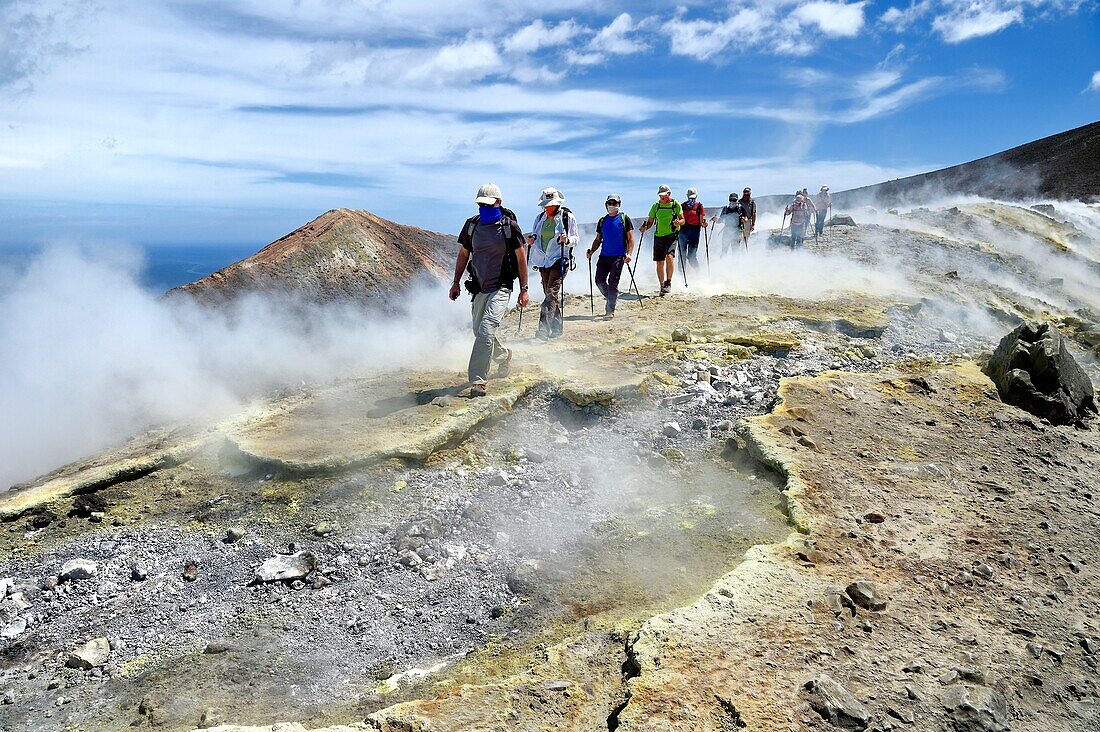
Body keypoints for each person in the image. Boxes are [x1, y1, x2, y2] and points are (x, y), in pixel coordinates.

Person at [449, 183, 530, 398]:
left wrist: (524, 289)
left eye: (488, 204)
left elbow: (521, 259)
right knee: (479, 332)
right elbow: (463, 255)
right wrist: (455, 282)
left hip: (502, 286)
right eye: (480, 204)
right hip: (479, 286)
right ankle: (504, 355)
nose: (483, 208)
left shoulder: (509, 227)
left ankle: (478, 381)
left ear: (499, 203)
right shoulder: (471, 225)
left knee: (485, 330)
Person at [525, 187, 579, 339]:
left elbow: (575, 239)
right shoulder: (539, 218)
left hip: (560, 260)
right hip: (543, 261)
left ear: (557, 204)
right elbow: (536, 235)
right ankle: (557, 328)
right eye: (546, 205)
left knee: (551, 293)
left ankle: (542, 330)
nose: (548, 207)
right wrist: (531, 239)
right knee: (549, 294)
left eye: (551, 205)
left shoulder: (567, 217)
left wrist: (566, 240)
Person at [586, 194, 635, 318]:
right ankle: (612, 297)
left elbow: (630, 238)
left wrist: (629, 254)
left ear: (619, 204)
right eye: (610, 203)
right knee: (599, 281)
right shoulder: (602, 221)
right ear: (606, 205)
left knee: (613, 283)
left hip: (618, 256)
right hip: (604, 256)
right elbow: (598, 239)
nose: (612, 205)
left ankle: (610, 310)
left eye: (615, 203)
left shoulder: (624, 219)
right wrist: (591, 251)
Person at [638, 184, 684, 296]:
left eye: (663, 195)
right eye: (660, 195)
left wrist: (678, 222)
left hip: (671, 235)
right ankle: (662, 285)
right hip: (658, 236)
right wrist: (645, 228)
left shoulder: (675, 205)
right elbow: (650, 222)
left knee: (669, 257)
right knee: (659, 262)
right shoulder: (656, 206)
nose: (661, 198)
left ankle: (668, 283)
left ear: (669, 194)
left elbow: (683, 220)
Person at [677, 187, 707, 270]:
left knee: (686, 255)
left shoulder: (685, 205)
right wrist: (704, 224)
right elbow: (701, 222)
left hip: (687, 232)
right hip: (690, 232)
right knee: (686, 255)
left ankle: (694, 274)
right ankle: (692, 274)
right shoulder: (698, 206)